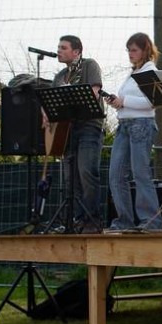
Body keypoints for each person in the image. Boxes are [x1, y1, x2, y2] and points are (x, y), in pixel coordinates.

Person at [104, 33, 162, 232]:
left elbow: (152, 102)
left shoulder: (150, 71)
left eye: (134, 50)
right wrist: (117, 103)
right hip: (124, 125)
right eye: (129, 50)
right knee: (116, 174)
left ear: (145, 50)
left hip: (141, 126)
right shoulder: (132, 73)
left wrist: (124, 101)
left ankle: (150, 221)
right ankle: (124, 220)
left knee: (140, 173)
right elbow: (128, 101)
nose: (130, 53)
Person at [46, 35, 105, 234]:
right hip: (67, 130)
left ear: (77, 51)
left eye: (63, 47)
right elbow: (51, 103)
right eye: (58, 47)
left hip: (89, 126)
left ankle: (91, 220)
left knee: (86, 172)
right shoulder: (59, 76)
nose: (59, 50)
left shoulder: (90, 65)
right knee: (70, 177)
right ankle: (75, 220)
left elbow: (94, 92)